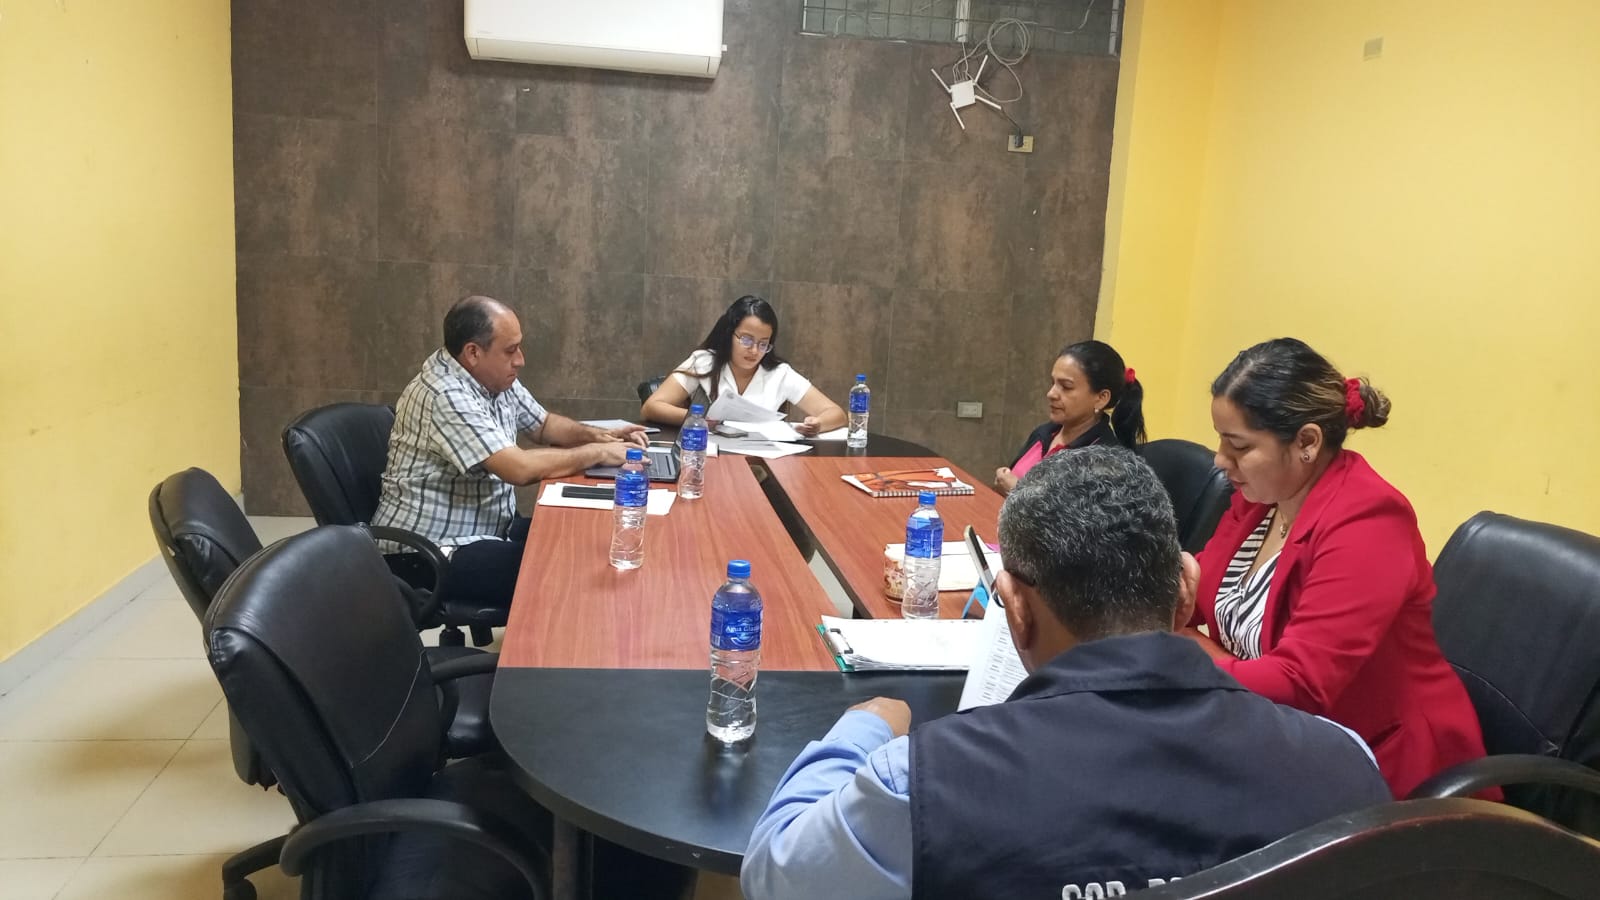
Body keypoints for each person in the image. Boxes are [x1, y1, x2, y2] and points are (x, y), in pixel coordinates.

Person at [742, 447, 1391, 900]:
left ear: (1016, 610)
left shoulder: (921, 785)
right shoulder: (1345, 765)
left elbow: (775, 874)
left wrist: (860, 731)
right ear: (1185, 591)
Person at [1184, 337, 1491, 799]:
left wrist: (1184, 659)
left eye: (1238, 446)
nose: (1220, 460)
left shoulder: (1368, 521)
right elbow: (1194, 592)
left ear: (1307, 442)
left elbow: (1301, 683)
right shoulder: (1262, 498)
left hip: (1381, 768)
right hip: (1280, 731)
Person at [372, 295, 647, 614]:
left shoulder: (490, 377)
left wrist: (600, 435)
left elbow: (543, 425)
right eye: (510, 350)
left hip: (488, 527)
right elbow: (518, 468)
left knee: (582, 541)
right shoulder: (444, 393)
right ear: (473, 352)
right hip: (427, 552)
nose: (520, 360)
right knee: (566, 572)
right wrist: (597, 452)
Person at [640, 295, 846, 436]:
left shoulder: (780, 374)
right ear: (729, 334)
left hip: (761, 464)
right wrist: (700, 420)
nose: (754, 351)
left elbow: (836, 413)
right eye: (746, 340)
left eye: (763, 344)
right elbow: (651, 407)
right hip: (711, 458)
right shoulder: (704, 362)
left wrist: (818, 424)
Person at [995, 339, 1145, 495]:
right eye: (1053, 383)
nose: (1051, 394)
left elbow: (1071, 511)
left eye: (1066, 387)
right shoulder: (1043, 433)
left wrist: (1017, 491)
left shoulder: (1105, 463)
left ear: (1101, 398)